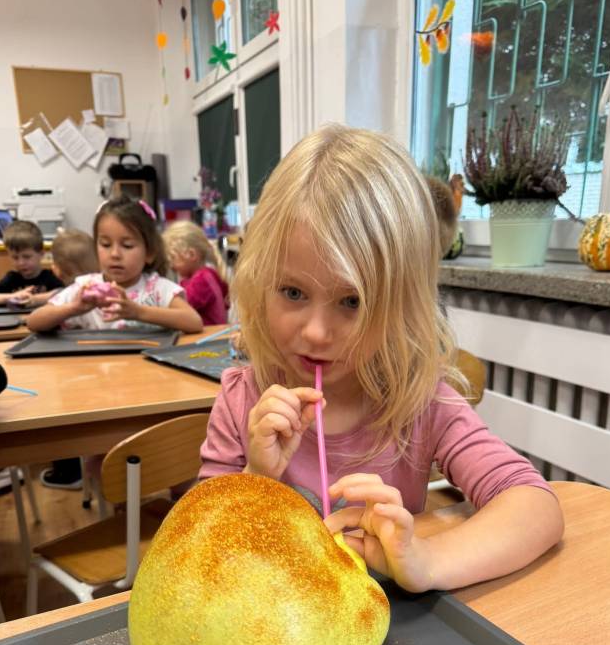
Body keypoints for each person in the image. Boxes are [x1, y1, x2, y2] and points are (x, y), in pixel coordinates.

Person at [198, 124, 564, 594]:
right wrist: (255, 479)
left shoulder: (421, 405)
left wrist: (427, 561)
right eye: (292, 292)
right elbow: (201, 548)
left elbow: (536, 506)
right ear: (260, 280)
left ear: (402, 305)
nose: (316, 332)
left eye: (352, 301)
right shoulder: (242, 401)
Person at [27, 196, 202, 335]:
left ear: (149, 253)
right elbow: (34, 322)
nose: (115, 254)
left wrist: (138, 312)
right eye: (105, 244)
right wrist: (72, 309)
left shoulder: (157, 289)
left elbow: (194, 322)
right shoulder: (85, 288)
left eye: (127, 245)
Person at [38, 229, 99, 490]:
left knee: (59, 416)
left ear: (58, 269)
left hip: (75, 383)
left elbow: (34, 321)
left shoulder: (72, 293)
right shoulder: (104, 288)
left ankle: (69, 472)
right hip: (105, 383)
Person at [162, 220, 229, 325]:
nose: (171, 266)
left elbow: (180, 308)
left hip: (210, 333)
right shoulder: (210, 274)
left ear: (191, 254)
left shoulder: (201, 280)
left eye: (173, 258)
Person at [0, 220, 62, 307]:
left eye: (27, 257)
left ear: (41, 254)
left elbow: (65, 292)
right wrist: (14, 296)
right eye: (15, 257)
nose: (21, 263)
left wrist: (37, 299)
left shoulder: (51, 276)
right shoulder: (12, 278)